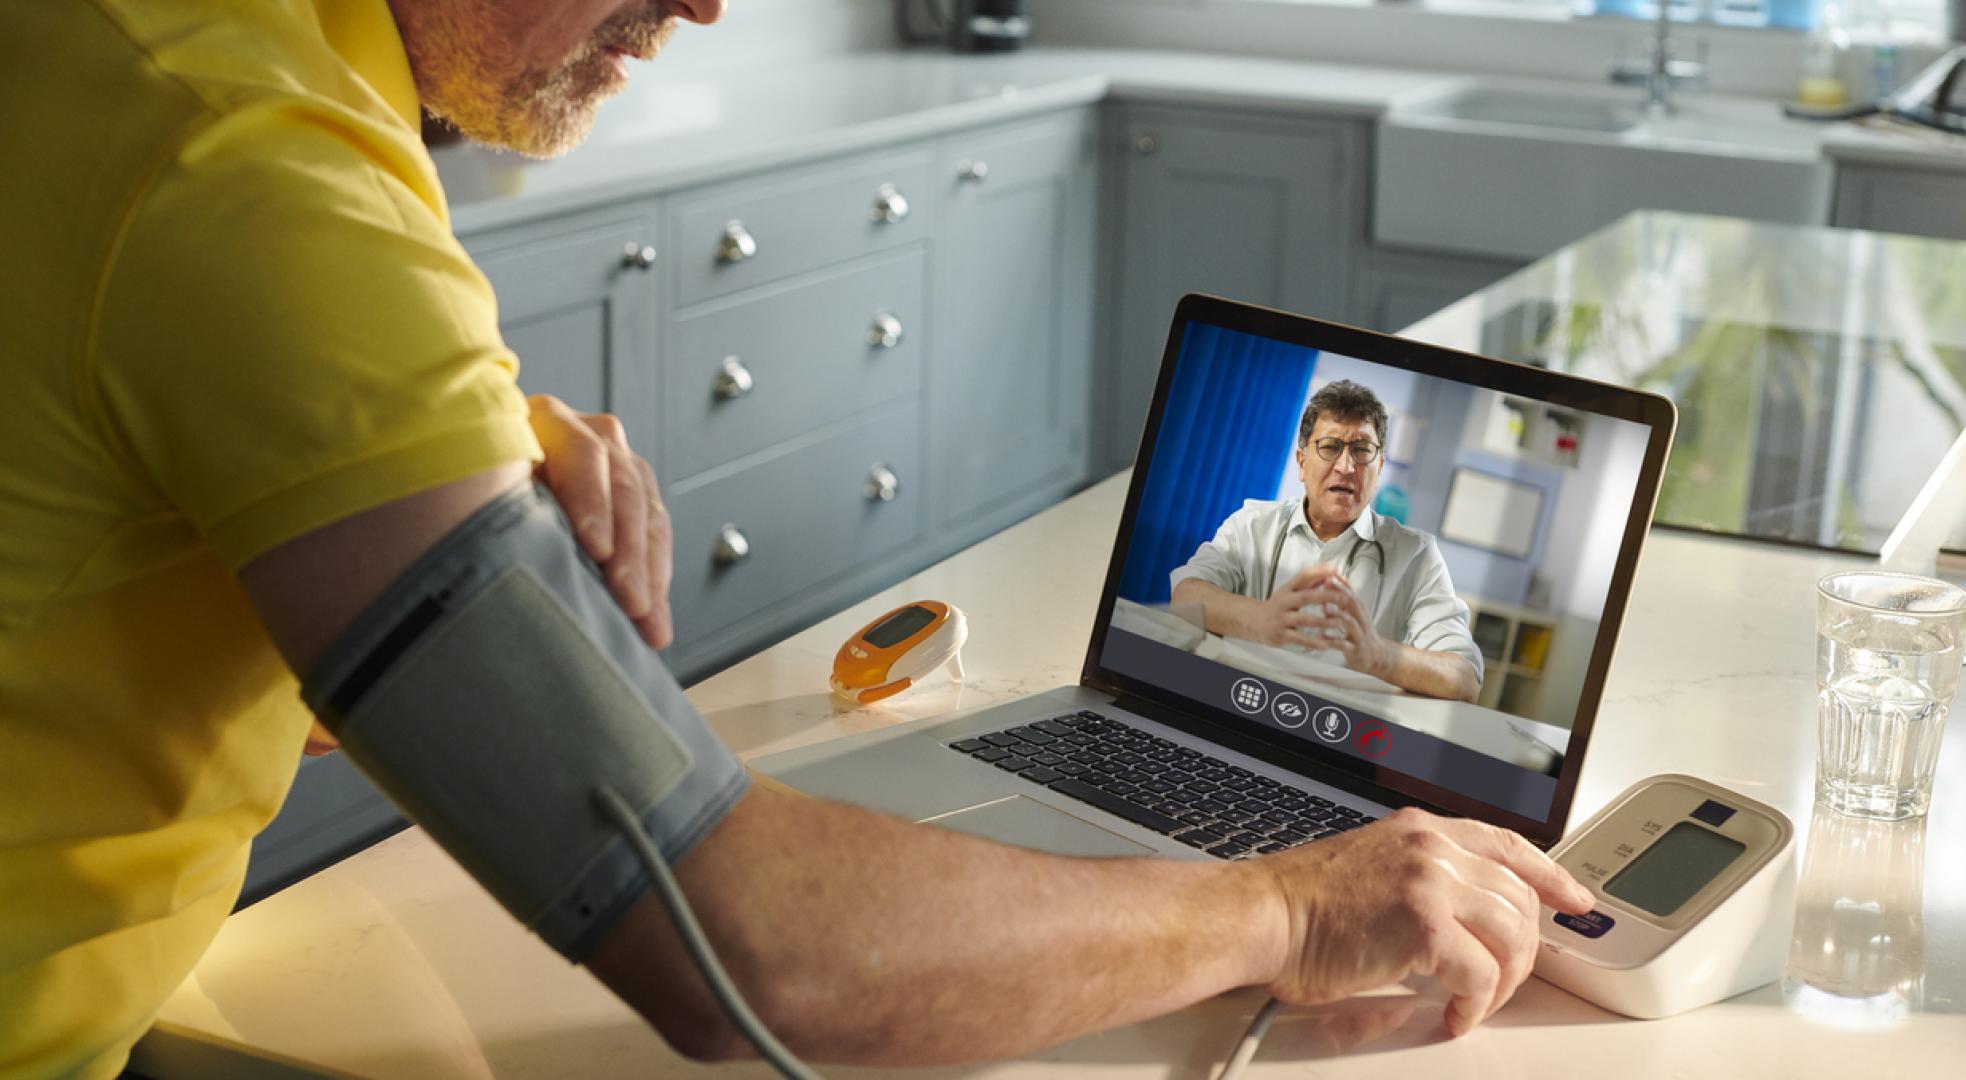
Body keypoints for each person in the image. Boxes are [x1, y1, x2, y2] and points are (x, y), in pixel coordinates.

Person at [0, 2, 1591, 1075]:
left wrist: (399, 512)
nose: (705, 3)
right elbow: (747, 947)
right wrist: (1290, 909)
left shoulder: (138, 56)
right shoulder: (248, 158)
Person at [1172, 380, 1484, 702]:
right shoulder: (1252, 523)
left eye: (1362, 450)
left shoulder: (1417, 556)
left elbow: (1463, 679)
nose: (1346, 466)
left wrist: (1376, 655)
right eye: (1330, 446)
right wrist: (1259, 621)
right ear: (1302, 462)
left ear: (1380, 467)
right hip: (1240, 702)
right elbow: (1185, 596)